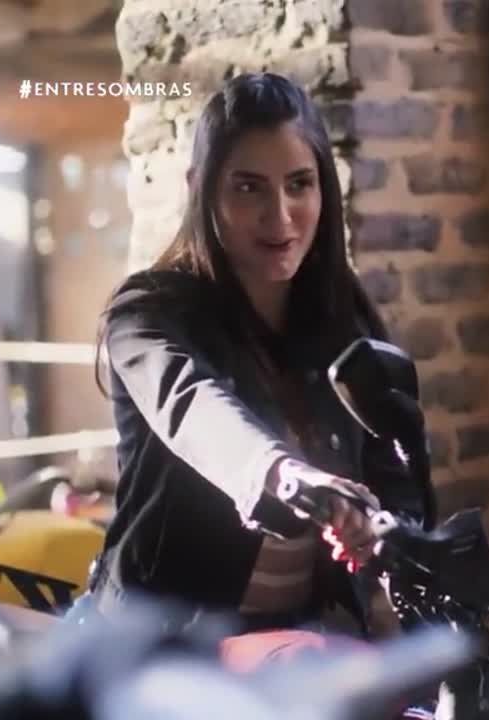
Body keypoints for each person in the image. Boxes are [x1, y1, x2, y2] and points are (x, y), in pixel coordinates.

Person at [81, 72, 434, 639]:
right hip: (158, 643)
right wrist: (283, 473)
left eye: (299, 184)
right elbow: (192, 405)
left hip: (302, 637)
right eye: (249, 188)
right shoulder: (146, 313)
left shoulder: (343, 318)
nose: (280, 215)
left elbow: (395, 475)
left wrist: (378, 527)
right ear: (201, 188)